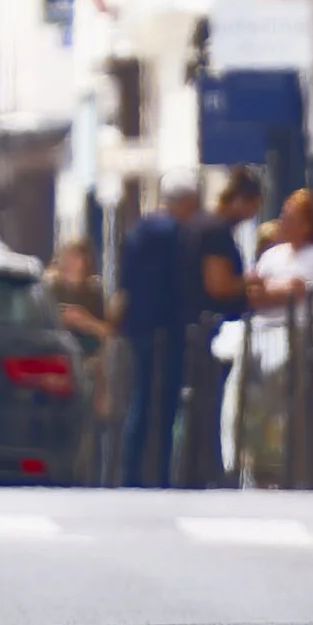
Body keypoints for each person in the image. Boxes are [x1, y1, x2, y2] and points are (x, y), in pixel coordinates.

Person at [237, 186, 313, 483]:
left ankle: (293, 467)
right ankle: (263, 468)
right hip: (263, 343)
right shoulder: (272, 256)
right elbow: (253, 291)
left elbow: (294, 291)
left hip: (300, 345)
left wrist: (268, 290)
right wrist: (268, 291)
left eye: (292, 218)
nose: (285, 223)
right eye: (284, 216)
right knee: (260, 410)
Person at [114, 175, 198, 484]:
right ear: (185, 203)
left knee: (140, 399)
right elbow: (181, 281)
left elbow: (124, 281)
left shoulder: (138, 231)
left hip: (139, 325)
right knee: (166, 402)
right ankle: (161, 473)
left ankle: (131, 472)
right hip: (168, 326)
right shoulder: (176, 233)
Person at [38, 233, 112, 483]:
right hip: (58, 367)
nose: (72, 263)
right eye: (68, 257)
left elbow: (107, 333)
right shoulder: (50, 287)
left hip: (88, 365)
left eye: (77, 257)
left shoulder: (94, 292)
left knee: (87, 426)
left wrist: (85, 321)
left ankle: (83, 474)